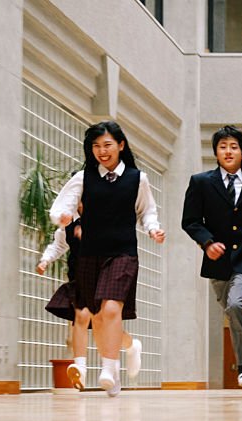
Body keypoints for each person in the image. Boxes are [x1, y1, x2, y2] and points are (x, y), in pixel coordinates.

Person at [49, 120, 164, 397]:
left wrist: (153, 228)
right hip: (89, 255)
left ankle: (109, 369)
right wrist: (62, 217)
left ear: (121, 145)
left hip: (123, 253)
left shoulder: (138, 179)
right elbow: (61, 206)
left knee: (111, 309)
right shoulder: (83, 177)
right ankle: (123, 355)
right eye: (96, 146)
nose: (102, 151)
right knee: (98, 318)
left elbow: (146, 211)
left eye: (108, 145)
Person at [182, 125, 242, 388]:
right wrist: (207, 242)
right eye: (223, 147)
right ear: (216, 153)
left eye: (234, 147)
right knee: (232, 311)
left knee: (236, 305)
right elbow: (191, 221)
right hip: (217, 260)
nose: (228, 151)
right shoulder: (201, 182)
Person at [37, 215, 142, 389]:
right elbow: (59, 244)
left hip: (104, 277)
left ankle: (130, 348)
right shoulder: (69, 222)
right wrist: (45, 260)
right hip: (80, 277)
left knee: (103, 326)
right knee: (82, 316)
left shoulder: (106, 215)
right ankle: (81, 368)